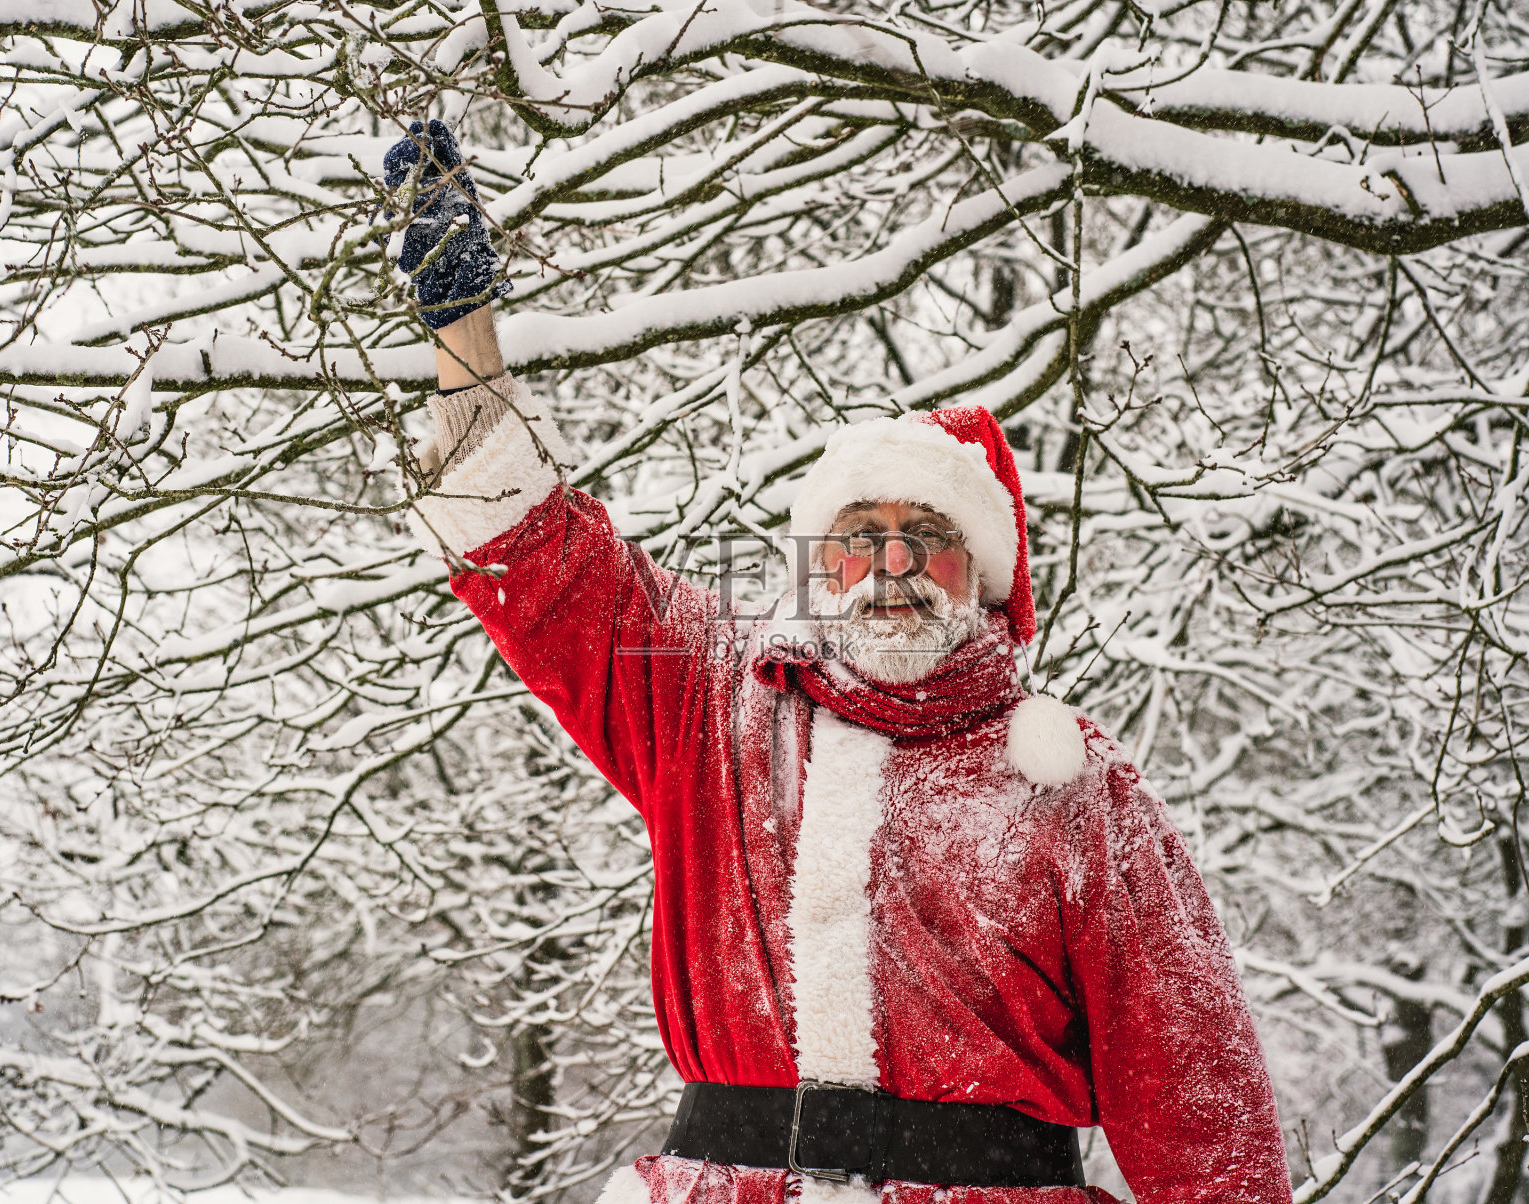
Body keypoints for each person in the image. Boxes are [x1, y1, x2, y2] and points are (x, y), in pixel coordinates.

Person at [384, 120, 1295, 1204]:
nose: (891, 564)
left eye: (927, 536)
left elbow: (1198, 1103)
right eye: (860, 536)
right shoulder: (709, 697)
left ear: (982, 574)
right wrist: (465, 340)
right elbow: (542, 565)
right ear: (819, 564)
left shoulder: (1079, 789)